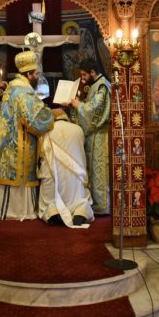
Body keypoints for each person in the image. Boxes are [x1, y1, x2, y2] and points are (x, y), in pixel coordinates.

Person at [0, 50, 55, 221]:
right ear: (29, 74)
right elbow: (33, 119)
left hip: (10, 142)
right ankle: (20, 212)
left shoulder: (13, 87)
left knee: (14, 176)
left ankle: (12, 211)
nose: (37, 77)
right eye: (36, 74)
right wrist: (53, 114)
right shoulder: (24, 91)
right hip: (19, 143)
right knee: (19, 175)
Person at [65, 59, 111, 215]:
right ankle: (95, 204)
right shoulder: (95, 85)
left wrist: (79, 105)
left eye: (84, 75)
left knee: (100, 170)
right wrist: (75, 105)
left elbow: (95, 111)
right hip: (94, 136)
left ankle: (102, 205)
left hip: (101, 135)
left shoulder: (103, 86)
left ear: (92, 72)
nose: (83, 79)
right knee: (93, 169)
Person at [37, 113, 94, 228]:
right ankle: (80, 212)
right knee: (81, 198)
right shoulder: (78, 129)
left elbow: (40, 157)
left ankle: (53, 212)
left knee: (48, 199)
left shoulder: (46, 131)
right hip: (75, 179)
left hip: (53, 179)